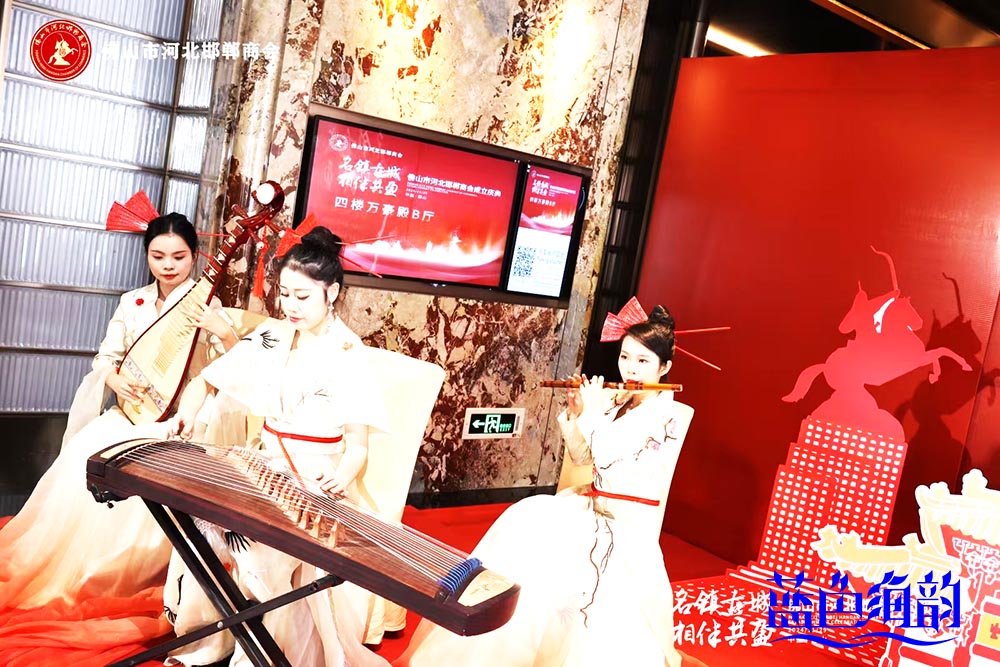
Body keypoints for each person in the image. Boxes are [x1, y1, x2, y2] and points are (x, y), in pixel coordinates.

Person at [397, 301, 692, 667]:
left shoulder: (665, 417)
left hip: (623, 523)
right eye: (625, 357)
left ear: (665, 367)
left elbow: (612, 463)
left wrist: (593, 413)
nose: (630, 369)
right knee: (527, 523)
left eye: (643, 361)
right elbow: (585, 458)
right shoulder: (620, 402)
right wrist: (576, 414)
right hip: (591, 506)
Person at [0, 213, 238, 665]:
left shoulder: (209, 304)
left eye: (179, 256)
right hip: (129, 412)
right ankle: (77, 574)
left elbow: (228, 369)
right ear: (147, 256)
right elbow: (105, 358)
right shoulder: (133, 302)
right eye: (158, 256)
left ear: (195, 256)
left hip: (177, 420)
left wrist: (222, 331)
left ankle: (121, 582)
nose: (168, 265)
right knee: (84, 461)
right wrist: (115, 378)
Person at [163, 225, 391, 667]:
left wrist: (340, 476)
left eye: (303, 296)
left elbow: (358, 448)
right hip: (266, 465)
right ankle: (213, 639)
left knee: (260, 548)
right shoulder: (273, 335)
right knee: (202, 522)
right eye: (284, 294)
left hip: (315, 479)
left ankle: (258, 652)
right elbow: (208, 380)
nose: (290, 306)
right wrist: (184, 415)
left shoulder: (349, 352)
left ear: (332, 293)